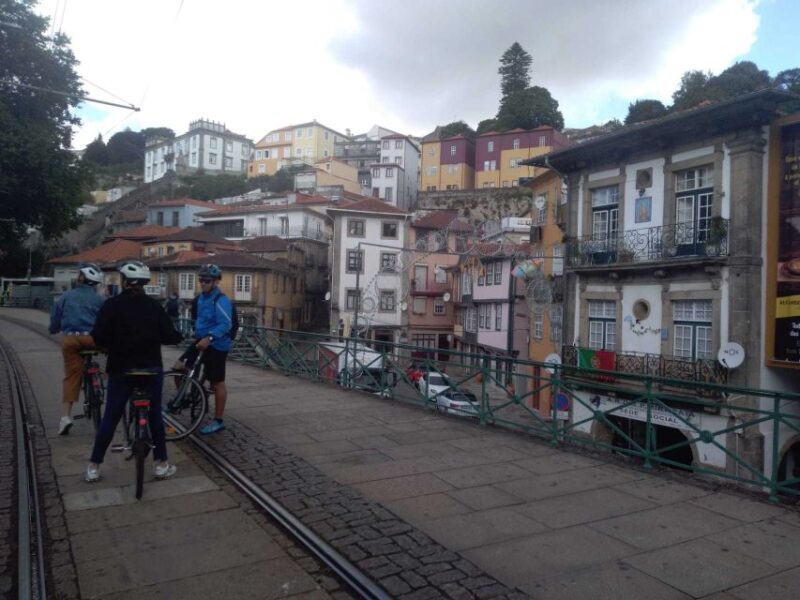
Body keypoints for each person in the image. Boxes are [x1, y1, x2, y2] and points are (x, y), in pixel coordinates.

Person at [85, 260, 182, 482]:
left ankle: (94, 466)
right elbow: (169, 335)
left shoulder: (111, 305)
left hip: (121, 369)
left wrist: (109, 346)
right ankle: (161, 464)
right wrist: (178, 337)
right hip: (150, 368)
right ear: (144, 284)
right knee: (156, 416)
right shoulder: (154, 307)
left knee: (111, 416)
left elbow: (98, 335)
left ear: (124, 281)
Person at [173, 263, 232, 435]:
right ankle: (185, 397)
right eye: (201, 280)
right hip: (200, 340)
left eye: (207, 280)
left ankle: (218, 420)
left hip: (217, 344)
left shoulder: (221, 300)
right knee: (178, 367)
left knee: (217, 382)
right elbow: (197, 319)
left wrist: (211, 337)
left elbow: (226, 324)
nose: (203, 283)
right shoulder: (199, 299)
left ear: (215, 282)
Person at [48, 263, 105, 435]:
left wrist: (54, 328)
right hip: (93, 339)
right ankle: (104, 380)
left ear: (80, 279)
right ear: (95, 283)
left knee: (72, 376)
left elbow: (55, 320)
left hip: (71, 339)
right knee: (111, 355)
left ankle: (65, 417)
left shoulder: (66, 296)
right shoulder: (100, 300)